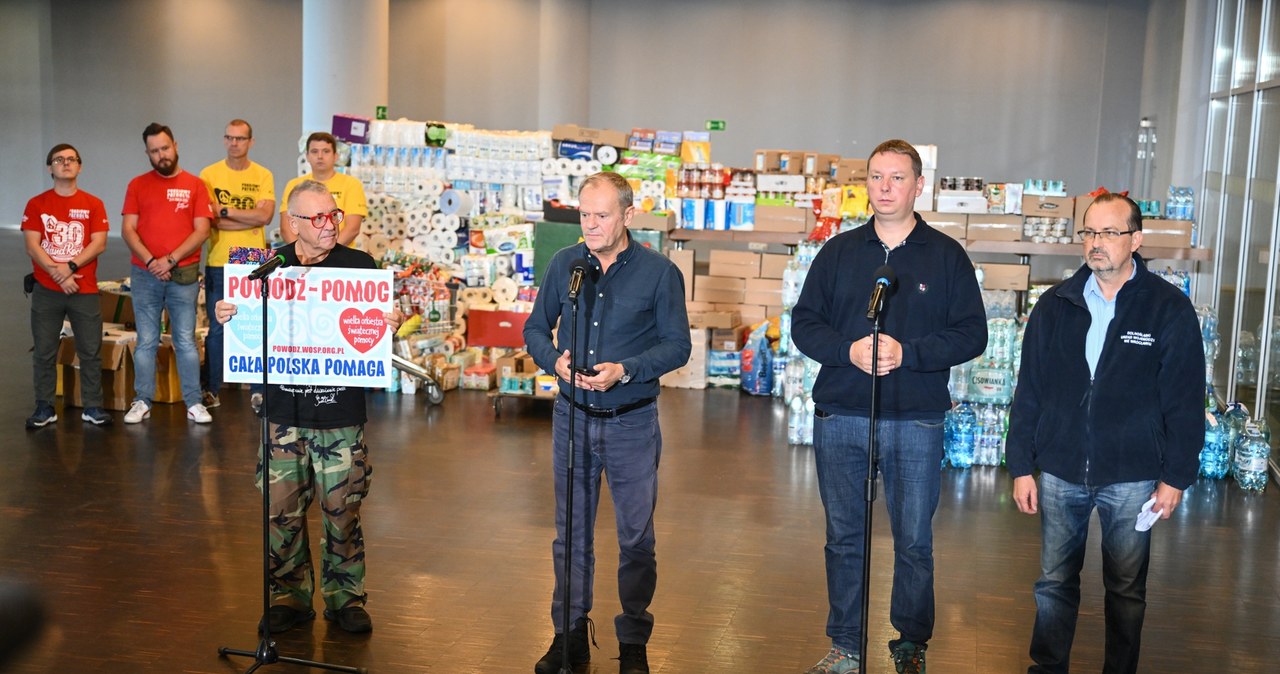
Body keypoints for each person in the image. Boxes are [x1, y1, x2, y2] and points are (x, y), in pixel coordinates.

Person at [791, 139, 987, 674]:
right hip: (841, 417)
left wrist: (911, 354)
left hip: (916, 420)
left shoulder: (946, 256)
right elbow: (804, 322)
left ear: (918, 185)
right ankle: (846, 645)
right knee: (844, 538)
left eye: (897, 178)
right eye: (876, 177)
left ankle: (910, 643)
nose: (884, 187)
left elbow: (973, 334)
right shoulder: (838, 252)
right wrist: (846, 350)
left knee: (914, 541)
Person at [1006, 193, 1203, 674]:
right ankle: (1047, 668)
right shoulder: (1056, 305)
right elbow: (1029, 388)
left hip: (1132, 474)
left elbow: (1184, 400)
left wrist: (1176, 476)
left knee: (1126, 588)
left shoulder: (1167, 309)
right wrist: (1020, 467)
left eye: (1109, 233)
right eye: (1089, 232)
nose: (1096, 244)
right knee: (1054, 583)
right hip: (1060, 469)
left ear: (1136, 240)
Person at [523, 171, 691, 674]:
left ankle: (633, 641)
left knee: (636, 537)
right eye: (585, 214)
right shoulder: (565, 264)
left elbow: (677, 345)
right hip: (571, 419)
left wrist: (627, 370)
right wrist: (553, 361)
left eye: (602, 215)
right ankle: (568, 635)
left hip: (631, 424)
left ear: (628, 216)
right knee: (570, 533)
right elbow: (535, 327)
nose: (591, 225)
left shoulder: (660, 273)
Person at [215, 180, 400, 635]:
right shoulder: (261, 267)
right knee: (281, 514)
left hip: (340, 415)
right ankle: (288, 597)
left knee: (343, 510)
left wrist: (390, 325)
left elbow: (371, 338)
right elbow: (241, 329)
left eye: (333, 215)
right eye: (316, 217)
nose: (329, 225)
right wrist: (225, 315)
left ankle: (345, 598)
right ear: (292, 223)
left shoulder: (360, 266)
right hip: (282, 415)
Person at [120, 123, 213, 425]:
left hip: (183, 274)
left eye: (165, 148)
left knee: (186, 339)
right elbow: (128, 229)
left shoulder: (196, 185)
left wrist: (169, 260)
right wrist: (151, 262)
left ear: (176, 145)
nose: (161, 154)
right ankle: (141, 400)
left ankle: (194, 402)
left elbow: (202, 230)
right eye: (154, 150)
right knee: (146, 340)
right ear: (147, 153)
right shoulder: (137, 184)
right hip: (145, 274)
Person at [22, 143, 112, 429]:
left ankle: (93, 406)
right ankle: (45, 406)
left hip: (82, 289)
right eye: (59, 159)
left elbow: (99, 243)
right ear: (50, 168)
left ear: (80, 166)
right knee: (45, 351)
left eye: (71, 159)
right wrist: (58, 274)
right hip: (47, 290)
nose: (65, 163)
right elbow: (32, 245)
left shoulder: (93, 203)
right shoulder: (37, 204)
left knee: (90, 350)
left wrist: (70, 267)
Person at [199, 118, 275, 411]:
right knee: (217, 328)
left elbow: (264, 217)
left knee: (255, 324)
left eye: (241, 138)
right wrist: (247, 214)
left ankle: (257, 390)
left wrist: (227, 211)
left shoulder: (263, 175)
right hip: (219, 257)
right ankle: (212, 390)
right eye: (229, 137)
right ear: (224, 139)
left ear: (250, 142)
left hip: (253, 257)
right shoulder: (209, 174)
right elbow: (210, 218)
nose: (234, 143)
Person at [279, 132, 365, 247]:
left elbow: (352, 228)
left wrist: (326, 253)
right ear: (307, 156)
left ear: (336, 156)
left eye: (326, 151)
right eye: (314, 151)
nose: (320, 156)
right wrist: (304, 254)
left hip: (339, 256)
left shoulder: (352, 184)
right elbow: (286, 228)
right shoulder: (294, 185)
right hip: (302, 259)